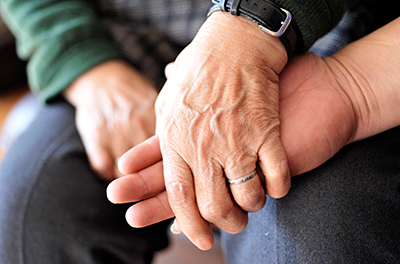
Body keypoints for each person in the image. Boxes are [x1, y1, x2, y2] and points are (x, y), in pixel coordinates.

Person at [0, 0, 397, 263]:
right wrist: (81, 62)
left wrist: (253, 24)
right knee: (27, 220)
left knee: (314, 243)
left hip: (332, 39)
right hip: (128, 40)